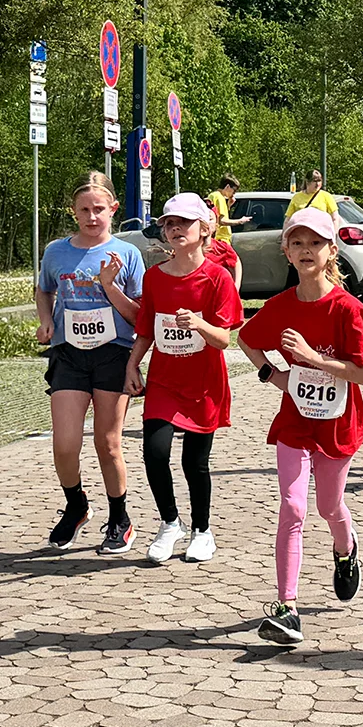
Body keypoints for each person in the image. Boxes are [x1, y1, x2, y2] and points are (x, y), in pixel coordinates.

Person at [238, 210, 363, 645]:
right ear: (286, 251)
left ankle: (346, 549)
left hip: (337, 424)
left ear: (331, 251)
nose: (306, 250)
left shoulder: (348, 309)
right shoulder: (281, 306)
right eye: (298, 243)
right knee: (293, 508)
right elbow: (246, 338)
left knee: (329, 507)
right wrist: (275, 376)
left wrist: (313, 359)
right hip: (295, 422)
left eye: (315, 243)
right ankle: (287, 607)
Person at [125, 194, 243, 564]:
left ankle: (202, 531)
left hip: (204, 383)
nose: (176, 229)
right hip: (164, 380)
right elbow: (146, 329)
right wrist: (132, 365)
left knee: (195, 463)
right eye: (169, 223)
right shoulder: (155, 277)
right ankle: (169, 522)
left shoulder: (217, 278)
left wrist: (199, 324)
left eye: (184, 223)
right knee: (155, 452)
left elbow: (224, 338)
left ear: (204, 229)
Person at [35, 172, 144, 554]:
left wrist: (110, 286)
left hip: (113, 352)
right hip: (68, 353)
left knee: (107, 443)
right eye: (84, 210)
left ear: (113, 209)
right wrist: (46, 320)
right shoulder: (56, 251)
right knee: (65, 444)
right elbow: (44, 289)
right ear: (73, 212)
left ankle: (120, 518)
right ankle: (76, 505)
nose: (92, 217)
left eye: (99, 209)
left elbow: (139, 316)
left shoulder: (127, 254)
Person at [207, 175, 249, 241]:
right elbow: (222, 221)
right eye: (234, 191)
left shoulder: (214, 195)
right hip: (221, 239)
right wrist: (240, 221)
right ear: (227, 186)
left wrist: (228, 205)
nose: (234, 194)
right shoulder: (219, 197)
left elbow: (217, 216)